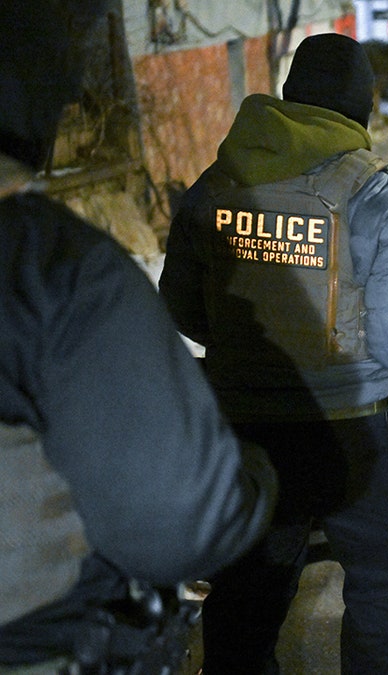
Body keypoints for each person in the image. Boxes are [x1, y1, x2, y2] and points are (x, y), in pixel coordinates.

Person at [159, 33, 388, 674]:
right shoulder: (386, 199)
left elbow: (182, 306)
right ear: (360, 107)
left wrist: (246, 351)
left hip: (246, 428)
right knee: (380, 588)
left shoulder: (213, 185)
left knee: (248, 592)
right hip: (355, 436)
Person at [0, 1, 277, 670]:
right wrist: (258, 476)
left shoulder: (210, 192)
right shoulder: (52, 267)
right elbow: (184, 521)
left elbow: (182, 298)